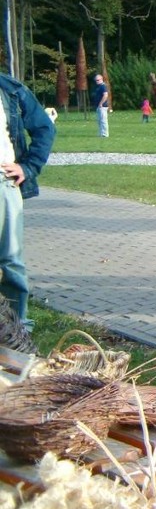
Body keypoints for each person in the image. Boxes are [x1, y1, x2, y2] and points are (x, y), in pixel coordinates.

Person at [0, 74, 56, 327]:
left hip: (3, 183)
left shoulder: (10, 89)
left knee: (10, 260)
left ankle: (15, 327)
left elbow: (44, 127)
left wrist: (28, 166)